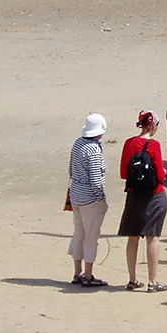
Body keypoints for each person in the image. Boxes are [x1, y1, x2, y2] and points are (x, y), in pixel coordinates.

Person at [117, 110, 167, 292]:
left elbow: (124, 173)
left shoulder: (129, 143)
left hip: (133, 194)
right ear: (153, 126)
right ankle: (152, 281)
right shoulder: (154, 145)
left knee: (132, 238)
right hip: (154, 194)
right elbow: (161, 174)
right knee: (152, 238)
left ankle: (132, 279)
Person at [68, 113, 109, 288]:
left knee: (79, 234)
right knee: (91, 237)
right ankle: (88, 275)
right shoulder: (93, 149)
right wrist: (101, 200)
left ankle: (77, 272)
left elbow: (70, 169)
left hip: (75, 194)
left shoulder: (78, 143)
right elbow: (96, 180)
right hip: (89, 199)